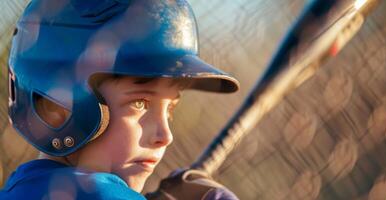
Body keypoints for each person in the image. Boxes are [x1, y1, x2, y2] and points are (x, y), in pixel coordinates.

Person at [0, 0, 239, 199]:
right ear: (56, 107)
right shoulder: (94, 193)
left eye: (170, 109)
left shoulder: (21, 189)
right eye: (140, 103)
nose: (165, 136)